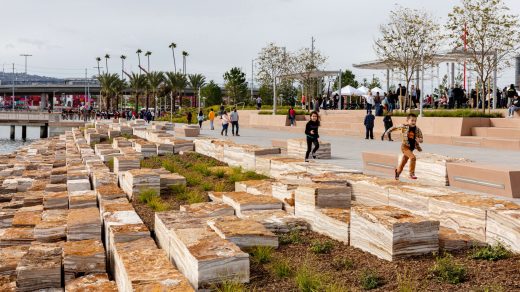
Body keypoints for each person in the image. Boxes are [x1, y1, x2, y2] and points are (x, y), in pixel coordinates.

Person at [384, 113, 423, 180]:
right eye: (412, 120)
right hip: (405, 147)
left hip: (411, 149)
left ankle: (397, 173)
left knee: (403, 162)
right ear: (407, 120)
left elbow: (421, 139)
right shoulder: (404, 127)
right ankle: (411, 174)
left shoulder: (417, 129)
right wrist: (387, 132)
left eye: (415, 121)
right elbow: (394, 127)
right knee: (413, 158)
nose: (414, 122)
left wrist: (419, 140)